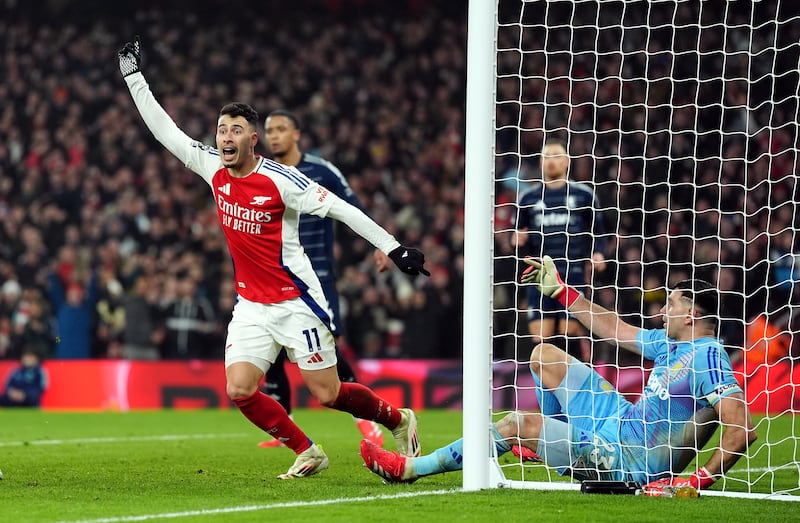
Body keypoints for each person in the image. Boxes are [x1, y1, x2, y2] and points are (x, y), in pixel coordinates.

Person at [118, 36, 428, 479]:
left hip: (296, 300)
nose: (225, 136)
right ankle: (308, 450)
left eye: (235, 130)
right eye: (222, 129)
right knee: (240, 389)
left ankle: (398, 419)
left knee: (328, 393)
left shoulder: (283, 181)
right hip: (251, 305)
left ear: (252, 139)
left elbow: (341, 207)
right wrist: (134, 78)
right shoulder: (212, 167)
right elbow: (166, 131)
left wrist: (393, 247)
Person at [360, 255, 756, 492]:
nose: (662, 310)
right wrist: (563, 292)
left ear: (690, 314)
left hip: (625, 460)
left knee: (517, 422)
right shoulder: (671, 345)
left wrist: (696, 481)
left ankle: (411, 468)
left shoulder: (707, 356)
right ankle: (551, 439)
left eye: (670, 304)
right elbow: (612, 328)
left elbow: (742, 430)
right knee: (544, 354)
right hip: (618, 420)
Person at [258, 109, 387, 448]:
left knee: (328, 346)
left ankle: (367, 420)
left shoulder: (321, 171)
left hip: (317, 278)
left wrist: (381, 244)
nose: (273, 136)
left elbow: (352, 206)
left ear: (297, 134)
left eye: (281, 129)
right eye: (269, 130)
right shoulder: (263, 172)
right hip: (275, 275)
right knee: (269, 346)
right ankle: (284, 424)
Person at [513, 139, 607, 361]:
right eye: (546, 156)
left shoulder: (584, 195)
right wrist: (517, 240)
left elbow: (599, 231)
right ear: (540, 163)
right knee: (541, 335)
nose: (551, 161)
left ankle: (574, 386)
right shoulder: (527, 198)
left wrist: (598, 252)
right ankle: (545, 389)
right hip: (539, 275)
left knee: (570, 332)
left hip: (572, 272)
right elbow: (516, 236)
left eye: (556, 155)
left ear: (567, 161)